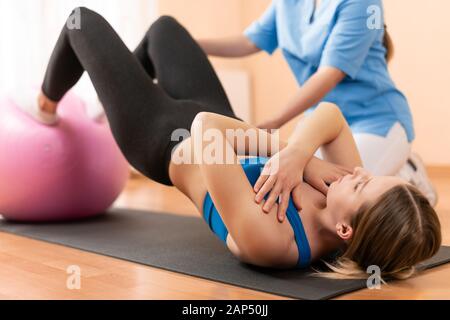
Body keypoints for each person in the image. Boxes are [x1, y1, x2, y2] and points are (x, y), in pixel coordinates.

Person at [19, 8, 441, 279]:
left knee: (81, 21)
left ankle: (46, 104)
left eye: (366, 184)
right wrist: (300, 159)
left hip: (161, 138)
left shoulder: (276, 242)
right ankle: (113, 88)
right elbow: (331, 115)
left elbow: (206, 131)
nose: (362, 172)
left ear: (346, 229)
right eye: (374, 176)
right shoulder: (343, 187)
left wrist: (298, 157)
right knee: (165, 29)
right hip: (222, 117)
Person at [197, 0, 438, 206]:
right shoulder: (289, 3)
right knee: (290, 183)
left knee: (334, 199)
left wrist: (275, 121)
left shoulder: (362, 3)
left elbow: (329, 74)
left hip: (376, 122)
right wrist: (190, 44)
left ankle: (407, 172)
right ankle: (399, 167)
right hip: (324, 126)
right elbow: (249, 42)